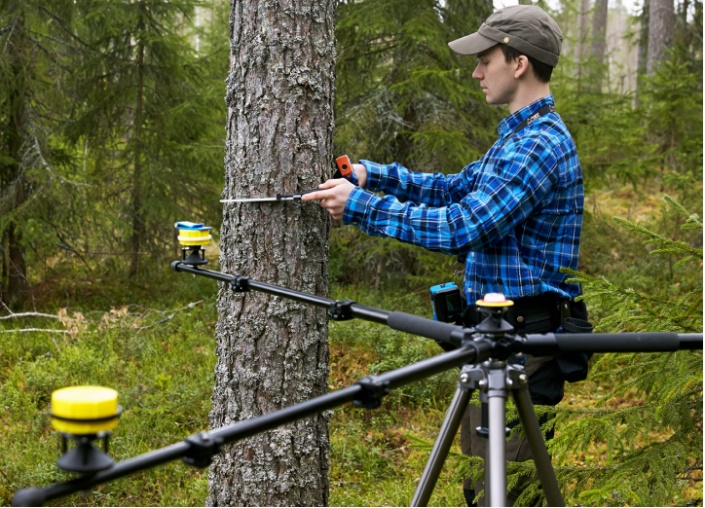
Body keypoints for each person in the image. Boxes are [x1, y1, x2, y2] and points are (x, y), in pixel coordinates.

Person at [303, 4, 589, 506]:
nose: (477, 72)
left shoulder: (540, 145)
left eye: (486, 59)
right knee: (480, 481)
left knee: (507, 491)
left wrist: (361, 207)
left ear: (518, 63)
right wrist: (373, 176)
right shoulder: (518, 138)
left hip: (525, 345)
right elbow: (453, 189)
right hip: (501, 338)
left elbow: (465, 226)